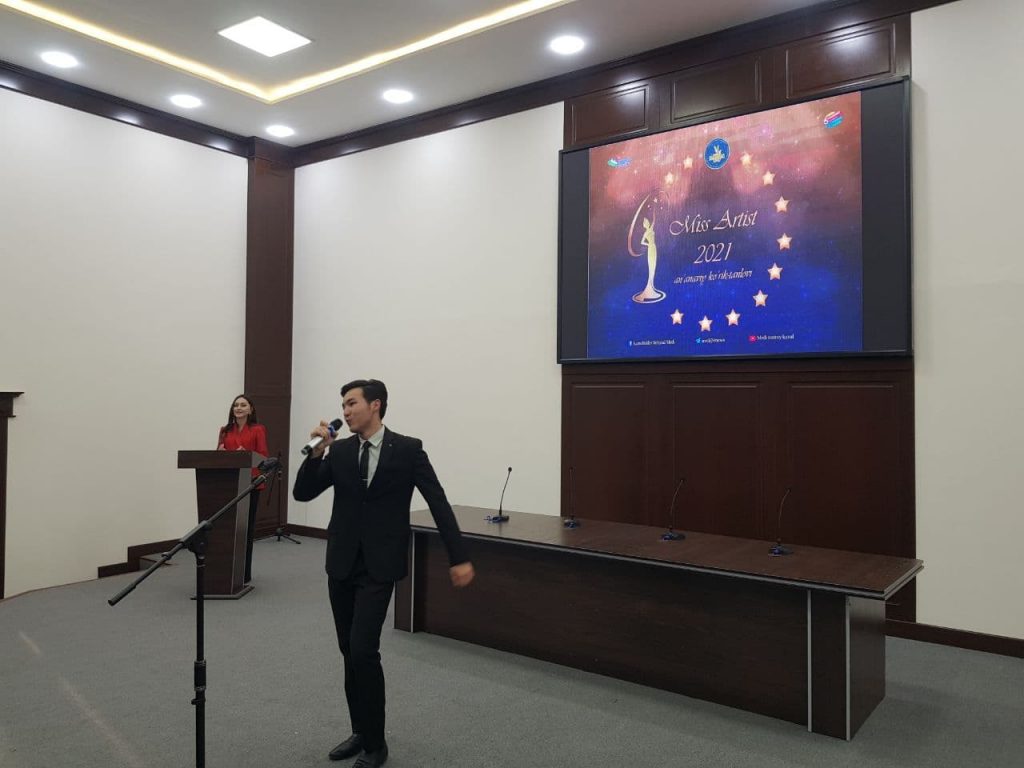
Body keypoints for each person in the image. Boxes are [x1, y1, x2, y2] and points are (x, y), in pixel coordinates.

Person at [292, 379, 474, 768]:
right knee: (348, 650)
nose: (345, 411)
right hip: (341, 563)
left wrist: (458, 556)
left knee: (363, 649)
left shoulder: (408, 449)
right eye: (343, 405)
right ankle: (360, 731)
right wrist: (316, 455)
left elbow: (438, 501)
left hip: (379, 566)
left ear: (375, 405)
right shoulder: (340, 451)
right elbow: (302, 493)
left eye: (351, 403)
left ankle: (376, 744)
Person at [217, 394, 268, 585]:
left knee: (245, 528)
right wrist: (221, 454)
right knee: (228, 528)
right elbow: (218, 454)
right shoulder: (224, 430)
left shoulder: (258, 429)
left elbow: (263, 456)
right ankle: (225, 570)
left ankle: (244, 573)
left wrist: (245, 455)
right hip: (228, 483)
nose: (238, 408)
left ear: (250, 409)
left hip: (250, 483)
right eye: (236, 405)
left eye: (243, 405)